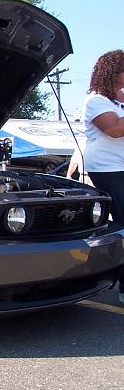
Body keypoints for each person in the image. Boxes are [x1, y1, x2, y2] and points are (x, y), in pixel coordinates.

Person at [83, 49, 124, 304]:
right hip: (107, 168)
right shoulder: (96, 101)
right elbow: (114, 130)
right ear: (114, 72)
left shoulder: (120, 99)